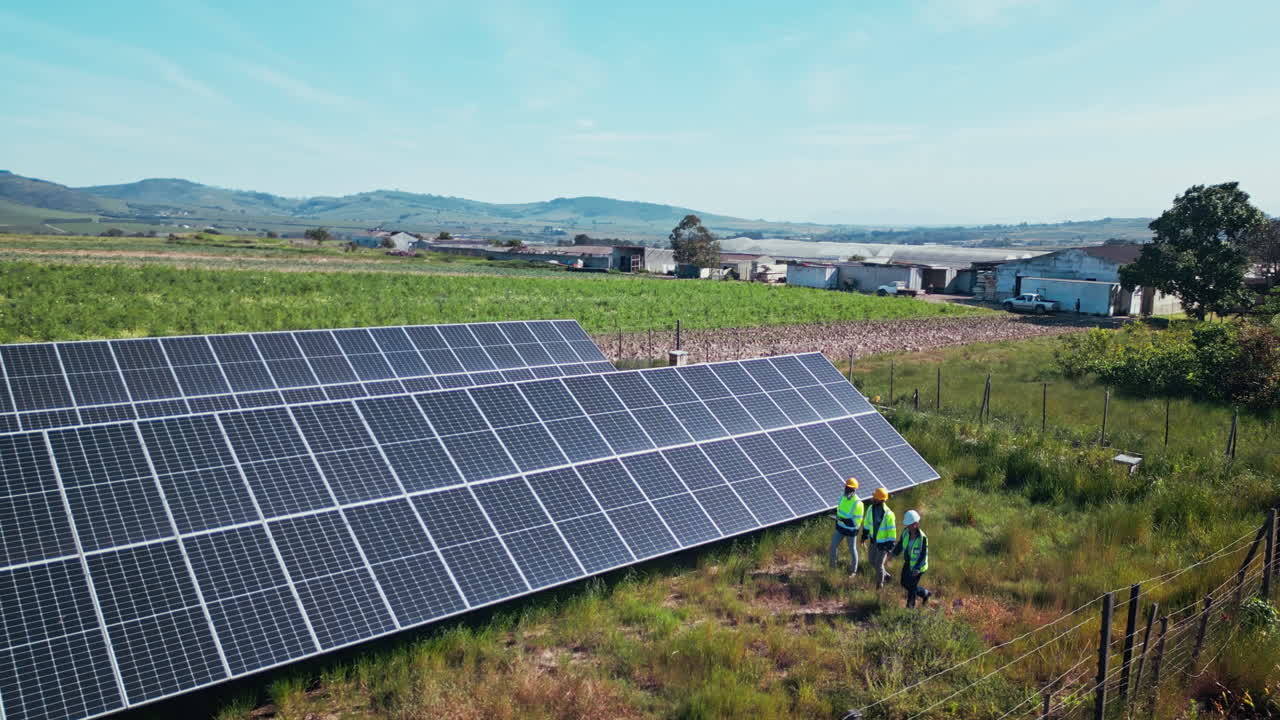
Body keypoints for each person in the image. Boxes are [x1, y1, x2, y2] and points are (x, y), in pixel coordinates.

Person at [861, 487, 897, 590]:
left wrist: (890, 545)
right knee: (872, 561)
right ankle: (886, 576)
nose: (873, 498)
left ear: (881, 500)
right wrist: (864, 536)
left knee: (878, 564)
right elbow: (867, 523)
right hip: (873, 541)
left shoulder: (888, 514)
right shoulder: (871, 509)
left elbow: (892, 531)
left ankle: (879, 585)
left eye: (875, 497)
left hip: (884, 544)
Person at [828, 477, 864, 574]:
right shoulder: (842, 497)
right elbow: (840, 511)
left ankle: (853, 571)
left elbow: (857, 522)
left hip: (850, 531)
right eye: (846, 487)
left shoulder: (858, 503)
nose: (847, 489)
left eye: (850, 488)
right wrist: (835, 515)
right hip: (840, 527)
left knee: (852, 549)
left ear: (854, 490)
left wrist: (844, 520)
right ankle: (832, 567)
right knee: (833, 546)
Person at [896, 509, 931, 607]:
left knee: (911, 586)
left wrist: (917, 569)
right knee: (904, 583)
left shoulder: (922, 538)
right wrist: (893, 554)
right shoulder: (905, 532)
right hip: (908, 563)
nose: (908, 526)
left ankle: (910, 608)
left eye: (910, 524)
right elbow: (900, 545)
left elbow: (923, 555)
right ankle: (925, 593)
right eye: (907, 524)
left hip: (919, 566)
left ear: (916, 524)